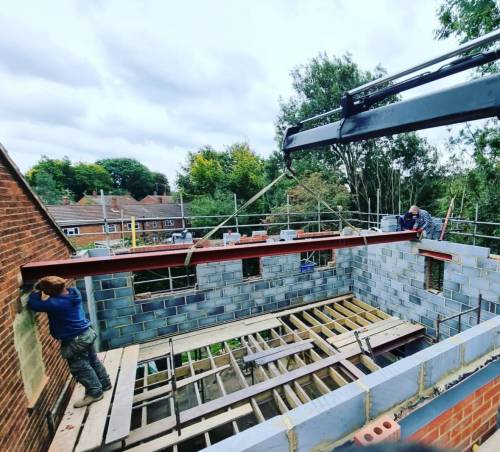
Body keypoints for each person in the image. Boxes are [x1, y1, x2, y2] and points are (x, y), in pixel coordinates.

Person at [28, 276, 111, 408]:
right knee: (92, 360)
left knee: (80, 367)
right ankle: (105, 383)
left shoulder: (55, 304)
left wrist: (36, 291)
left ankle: (95, 392)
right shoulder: (74, 292)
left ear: (50, 292)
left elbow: (33, 304)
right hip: (87, 334)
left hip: (75, 341)